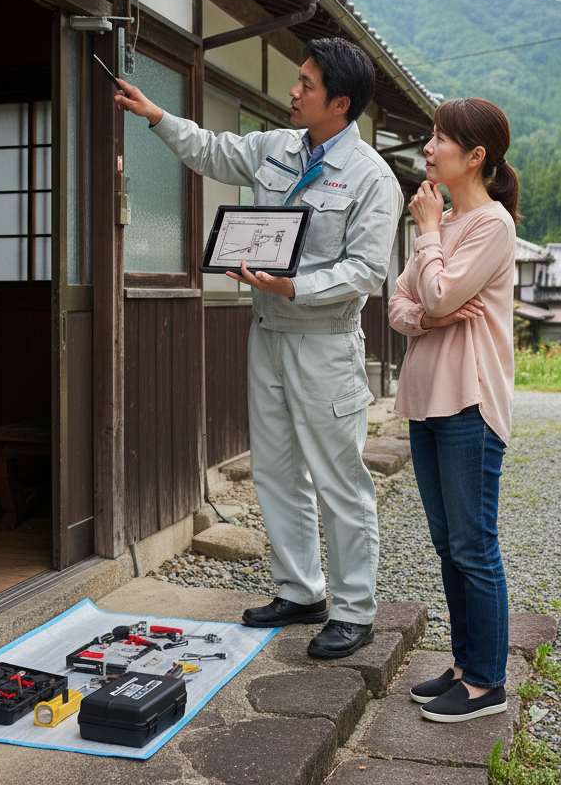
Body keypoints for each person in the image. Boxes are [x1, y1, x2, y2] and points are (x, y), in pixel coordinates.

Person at [115, 38, 401, 657]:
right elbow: (213, 151)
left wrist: (293, 286)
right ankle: (301, 592)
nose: (293, 92)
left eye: (306, 84)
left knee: (340, 480)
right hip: (266, 334)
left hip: (325, 343)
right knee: (275, 470)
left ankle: (354, 611)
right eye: (297, 79)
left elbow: (366, 271)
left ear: (340, 103)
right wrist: (157, 116)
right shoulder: (277, 147)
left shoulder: (373, 177)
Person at [388, 96, 519, 723]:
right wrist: (428, 316)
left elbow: (436, 292)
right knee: (448, 544)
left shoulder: (491, 225)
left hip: (470, 400)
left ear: (475, 156)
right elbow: (401, 305)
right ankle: (467, 665)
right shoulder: (441, 225)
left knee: (474, 544)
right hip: (427, 399)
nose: (428, 146)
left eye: (440, 138)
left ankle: (488, 682)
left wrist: (428, 241)